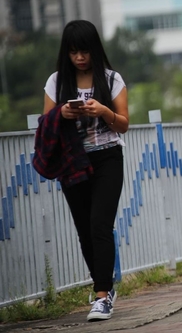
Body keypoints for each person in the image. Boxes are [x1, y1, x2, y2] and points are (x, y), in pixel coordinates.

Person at [41, 20, 128, 321]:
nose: (79, 57)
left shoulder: (112, 79)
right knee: (85, 230)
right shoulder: (56, 82)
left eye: (85, 51)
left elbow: (124, 124)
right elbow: (45, 123)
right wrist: (62, 113)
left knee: (100, 224)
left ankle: (102, 296)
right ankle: (104, 287)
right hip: (72, 161)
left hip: (107, 158)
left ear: (95, 49)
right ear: (66, 52)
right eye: (73, 51)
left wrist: (103, 111)